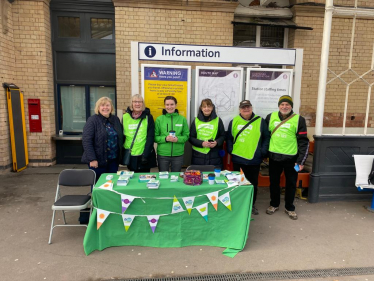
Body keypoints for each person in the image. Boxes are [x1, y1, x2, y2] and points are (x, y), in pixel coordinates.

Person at [265, 95, 309, 220]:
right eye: (282, 104)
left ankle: (289, 207)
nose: (284, 107)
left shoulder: (299, 119)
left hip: (292, 159)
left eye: (287, 104)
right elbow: (266, 136)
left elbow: (303, 142)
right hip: (274, 157)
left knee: (291, 183)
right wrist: (265, 154)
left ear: (291, 106)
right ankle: (274, 204)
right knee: (274, 182)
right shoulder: (270, 117)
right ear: (279, 106)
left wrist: (301, 160)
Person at [226, 100, 270, 215]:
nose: (246, 110)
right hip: (238, 158)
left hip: (254, 159)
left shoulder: (260, 121)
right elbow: (229, 138)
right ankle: (239, 204)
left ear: (251, 108)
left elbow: (266, 137)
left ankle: (251, 204)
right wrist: (231, 150)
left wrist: (263, 152)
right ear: (240, 109)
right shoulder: (234, 121)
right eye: (243, 108)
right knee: (238, 183)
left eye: (248, 107)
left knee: (252, 184)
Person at [81, 96, 123, 182]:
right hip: (97, 161)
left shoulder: (115, 119)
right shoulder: (92, 120)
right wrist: (92, 159)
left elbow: (120, 137)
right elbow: (86, 141)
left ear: (111, 107)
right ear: (98, 107)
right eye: (102, 105)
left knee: (112, 184)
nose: (105, 108)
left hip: (113, 161)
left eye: (107, 105)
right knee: (98, 185)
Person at [123, 94, 157, 173]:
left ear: (143, 104)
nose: (137, 104)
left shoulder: (148, 117)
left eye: (139, 102)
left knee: (144, 178)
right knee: (132, 179)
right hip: (130, 153)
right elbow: (122, 135)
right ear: (131, 103)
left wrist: (146, 154)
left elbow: (150, 136)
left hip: (144, 154)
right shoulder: (125, 117)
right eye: (135, 101)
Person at [154, 96, 189, 172]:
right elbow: (155, 137)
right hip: (163, 154)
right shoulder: (159, 119)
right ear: (164, 106)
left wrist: (178, 139)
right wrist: (165, 139)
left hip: (178, 154)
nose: (169, 107)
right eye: (167, 104)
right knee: (163, 177)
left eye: (172, 104)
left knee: (175, 177)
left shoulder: (182, 119)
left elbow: (186, 136)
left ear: (176, 105)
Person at [189, 98, 225, 169]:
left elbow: (223, 136)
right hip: (198, 156)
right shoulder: (196, 120)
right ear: (201, 108)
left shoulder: (218, 120)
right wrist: (201, 143)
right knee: (198, 177)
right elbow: (191, 137)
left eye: (209, 106)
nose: (206, 108)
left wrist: (217, 142)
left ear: (212, 107)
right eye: (204, 106)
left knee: (214, 177)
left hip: (214, 155)